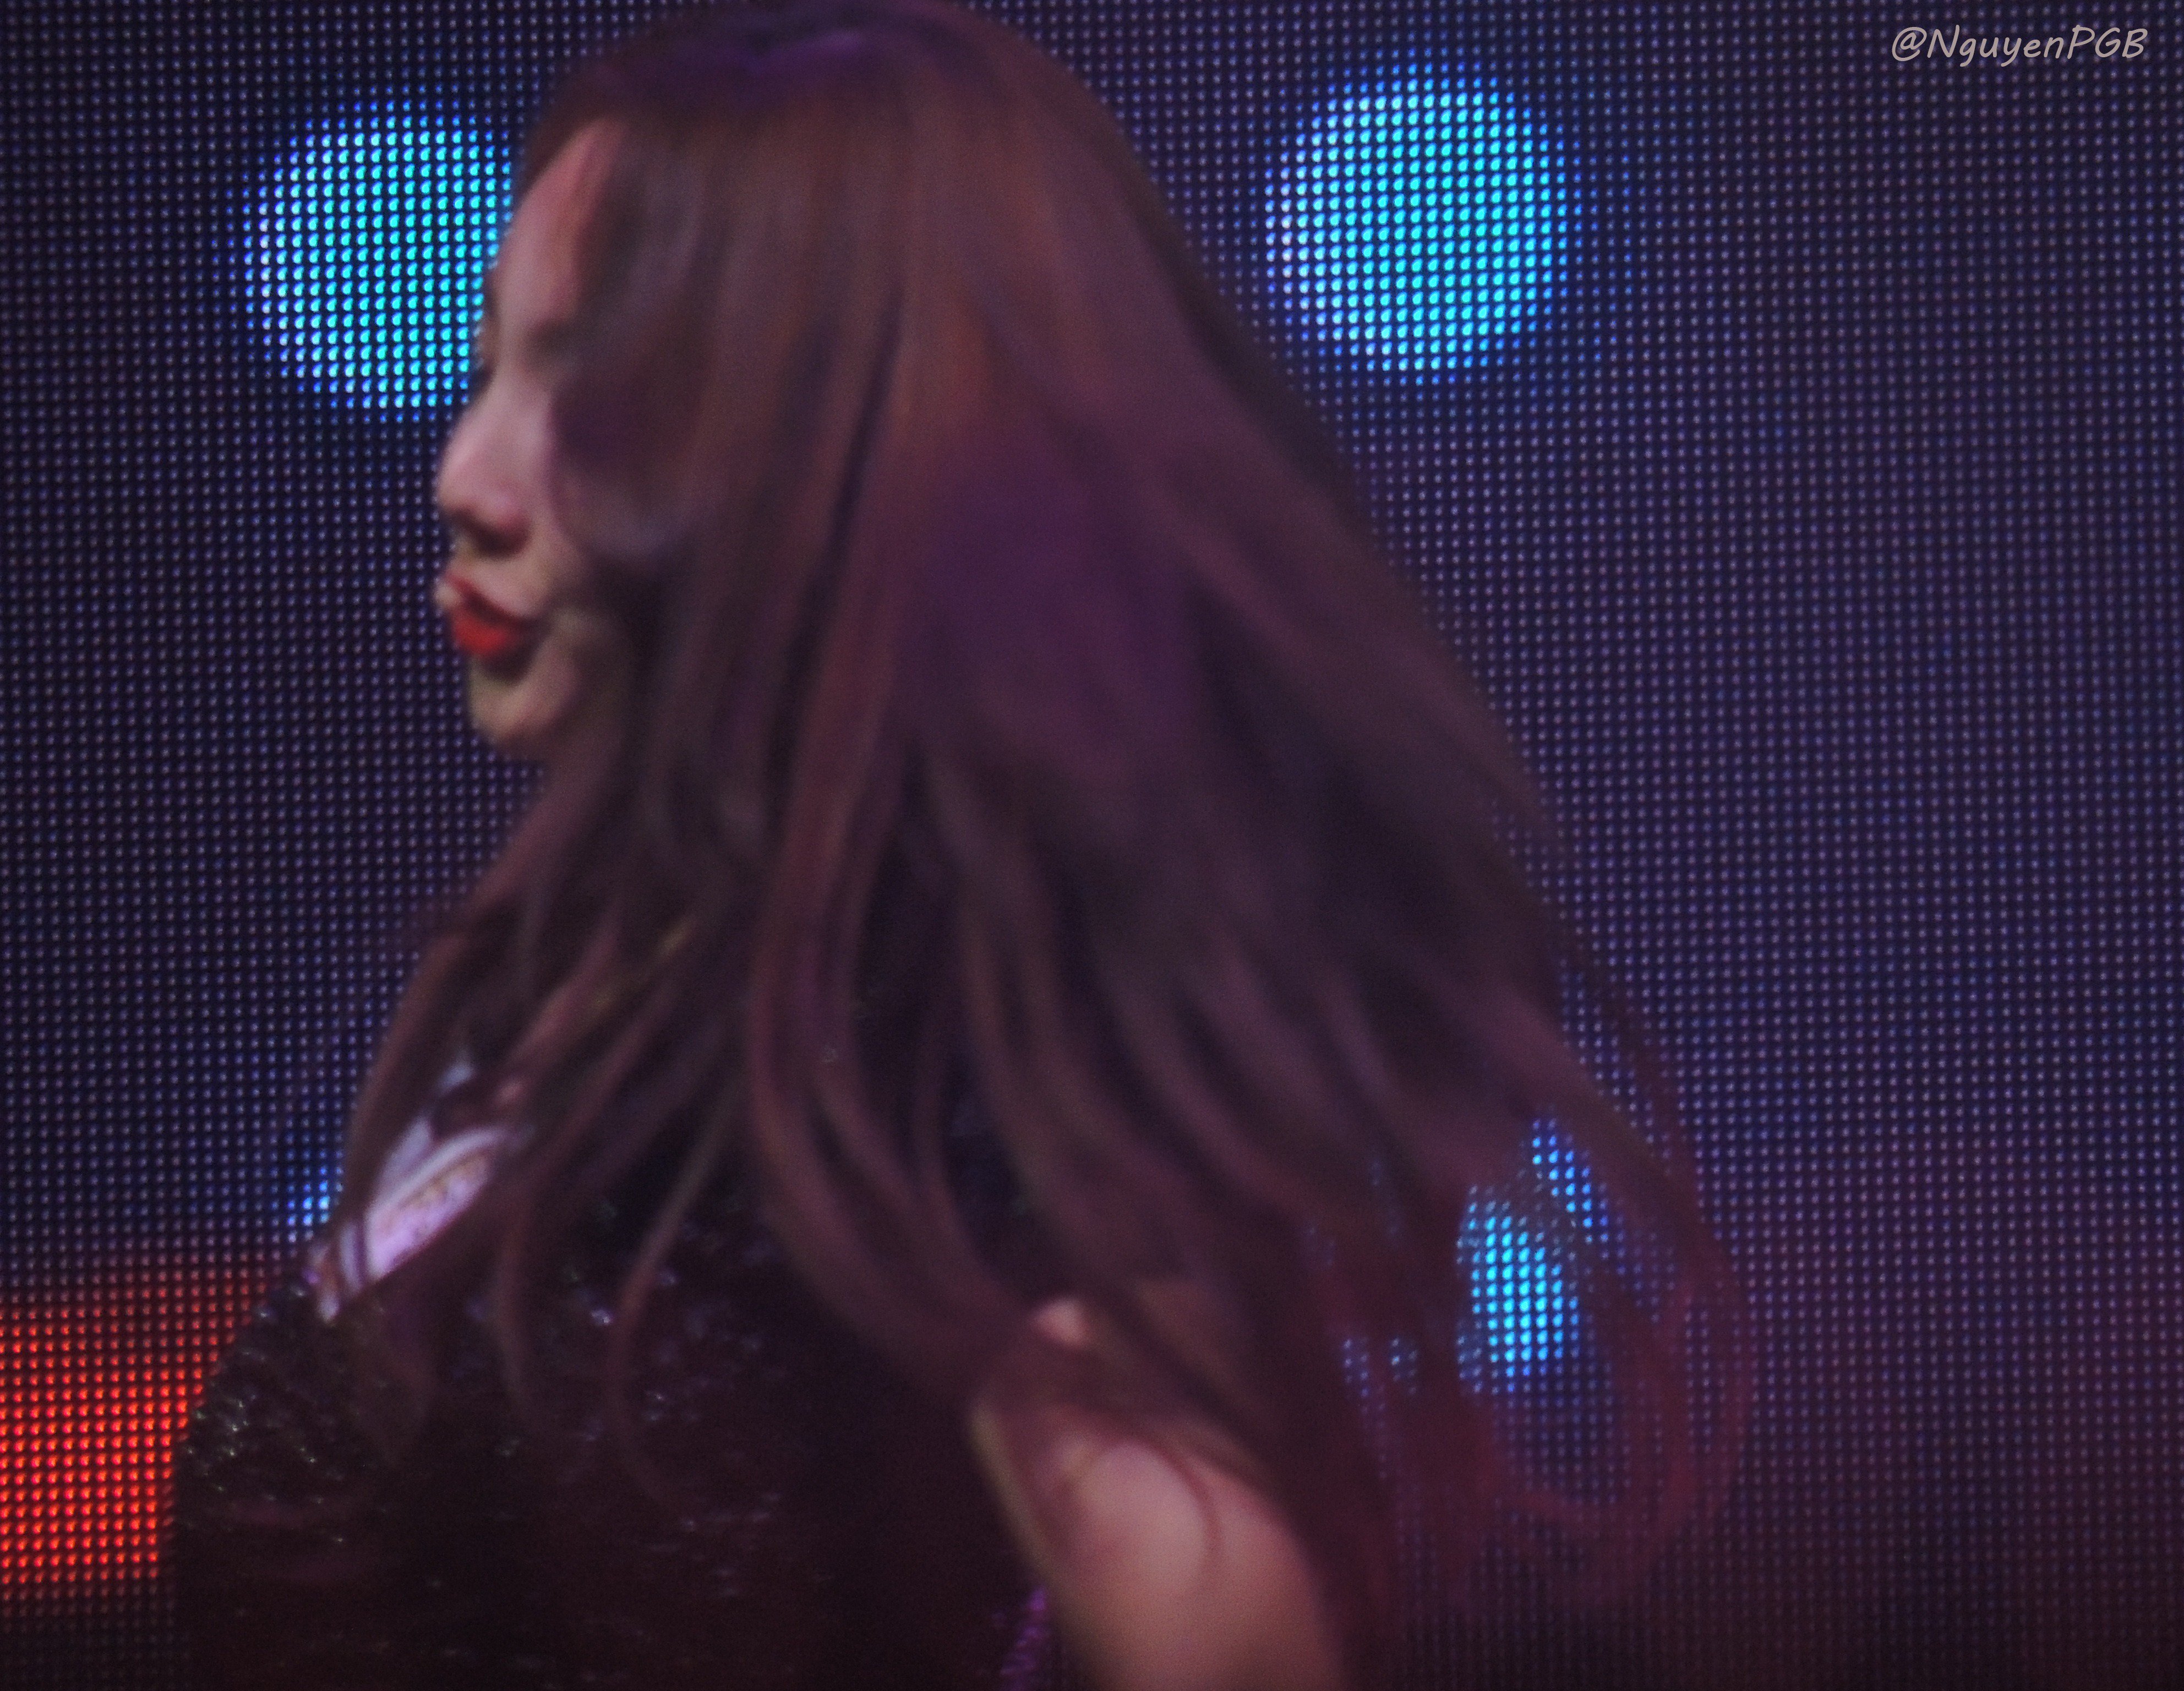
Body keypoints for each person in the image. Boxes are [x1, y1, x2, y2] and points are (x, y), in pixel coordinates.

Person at [173, 3, 1744, 1687]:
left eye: (601, 399)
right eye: (490, 366)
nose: (466, 473)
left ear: (837, 455)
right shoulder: (594, 973)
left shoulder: (956, 1051)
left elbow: (1207, 1611)